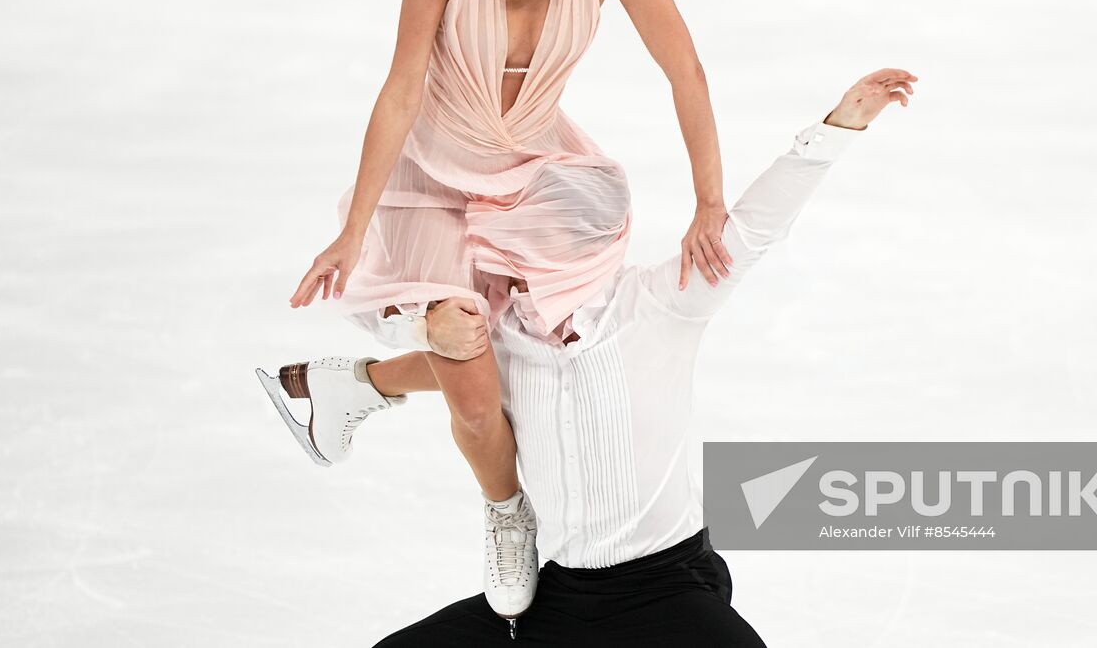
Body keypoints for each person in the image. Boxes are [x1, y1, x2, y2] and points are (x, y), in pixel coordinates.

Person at [257, 0, 733, 621]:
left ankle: (357, 385)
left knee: (544, 354)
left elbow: (684, 69)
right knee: (467, 353)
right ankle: (507, 509)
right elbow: (403, 88)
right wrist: (353, 228)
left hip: (538, 181)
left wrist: (709, 201)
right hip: (435, 185)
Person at [284, 68, 915, 645]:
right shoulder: (492, 330)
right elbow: (401, 322)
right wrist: (419, 325)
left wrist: (838, 127)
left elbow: (754, 229)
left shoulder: (661, 305)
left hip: (665, 587)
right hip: (555, 596)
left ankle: (355, 386)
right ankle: (351, 387)